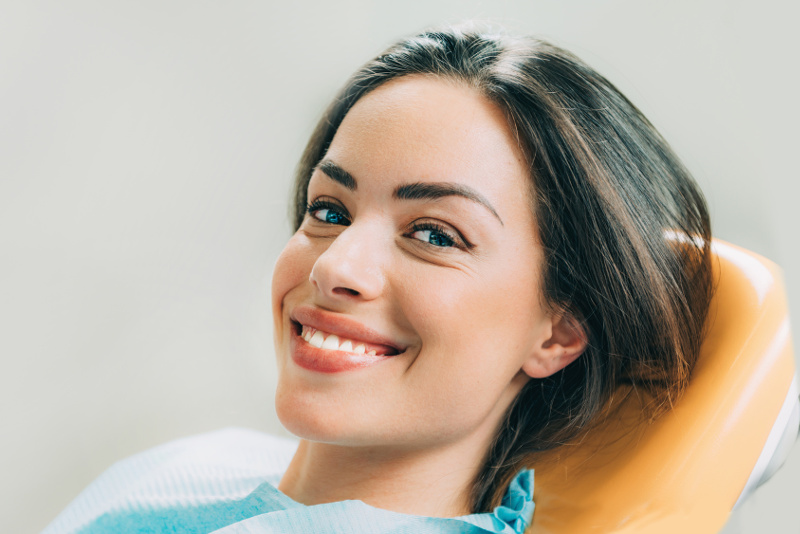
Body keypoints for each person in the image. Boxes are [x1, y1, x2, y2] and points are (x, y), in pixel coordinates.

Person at [44, 23, 712, 534]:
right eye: (329, 210)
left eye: (433, 235)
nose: (336, 266)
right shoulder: (203, 464)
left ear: (559, 330)